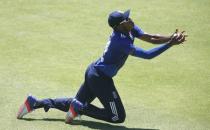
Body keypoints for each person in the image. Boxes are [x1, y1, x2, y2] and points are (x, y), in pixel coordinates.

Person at [17, 10, 187, 124]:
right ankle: (79, 107)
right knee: (117, 116)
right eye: (126, 19)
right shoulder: (119, 42)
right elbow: (148, 55)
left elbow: (151, 37)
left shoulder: (129, 28)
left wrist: (171, 37)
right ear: (119, 25)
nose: (130, 19)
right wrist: (170, 44)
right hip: (100, 79)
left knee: (74, 103)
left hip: (94, 72)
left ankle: (35, 103)